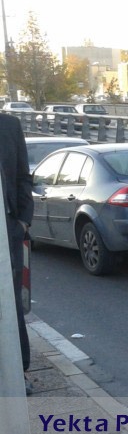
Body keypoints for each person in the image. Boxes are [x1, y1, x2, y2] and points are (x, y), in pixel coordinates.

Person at [0, 113, 33, 392]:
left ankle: (18, 372)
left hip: (6, 228)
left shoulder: (9, 125)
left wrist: (22, 221)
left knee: (9, 303)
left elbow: (23, 176)